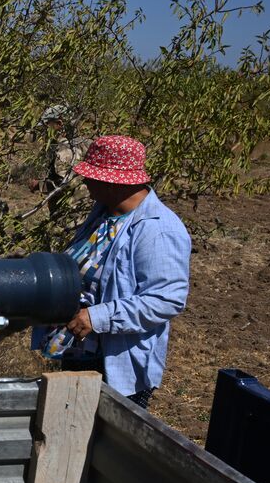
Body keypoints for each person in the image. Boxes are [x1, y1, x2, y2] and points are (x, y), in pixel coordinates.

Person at [31, 135, 191, 409]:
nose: (86, 181)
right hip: (82, 351)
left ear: (115, 182)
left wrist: (98, 316)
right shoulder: (105, 212)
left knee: (101, 443)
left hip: (114, 364)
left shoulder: (158, 229)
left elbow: (167, 299)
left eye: (93, 176)